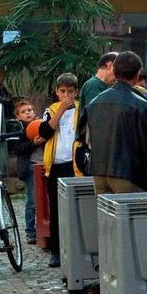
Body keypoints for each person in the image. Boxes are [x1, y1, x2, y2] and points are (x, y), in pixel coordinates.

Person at [77, 51, 147, 192]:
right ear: (137, 74)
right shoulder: (142, 106)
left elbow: (84, 139)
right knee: (130, 213)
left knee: (104, 214)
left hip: (99, 172)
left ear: (114, 71)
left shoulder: (93, 103)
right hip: (129, 175)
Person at [38, 73, 81, 268]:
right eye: (62, 91)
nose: (66, 95)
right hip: (55, 165)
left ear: (76, 92)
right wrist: (61, 109)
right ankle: (56, 250)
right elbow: (45, 132)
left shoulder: (81, 109)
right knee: (55, 209)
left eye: (70, 92)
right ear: (57, 92)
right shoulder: (51, 110)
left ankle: (76, 248)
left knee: (76, 209)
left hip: (75, 165)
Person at [12, 100, 45, 245]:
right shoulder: (20, 130)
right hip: (31, 167)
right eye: (24, 111)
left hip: (45, 165)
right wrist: (33, 144)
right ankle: (30, 231)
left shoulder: (41, 125)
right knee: (32, 201)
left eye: (30, 110)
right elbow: (18, 149)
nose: (28, 113)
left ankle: (43, 228)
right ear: (18, 117)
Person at [78, 52, 118, 116]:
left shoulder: (105, 86)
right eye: (118, 69)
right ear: (110, 65)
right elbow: (95, 116)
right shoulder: (93, 85)